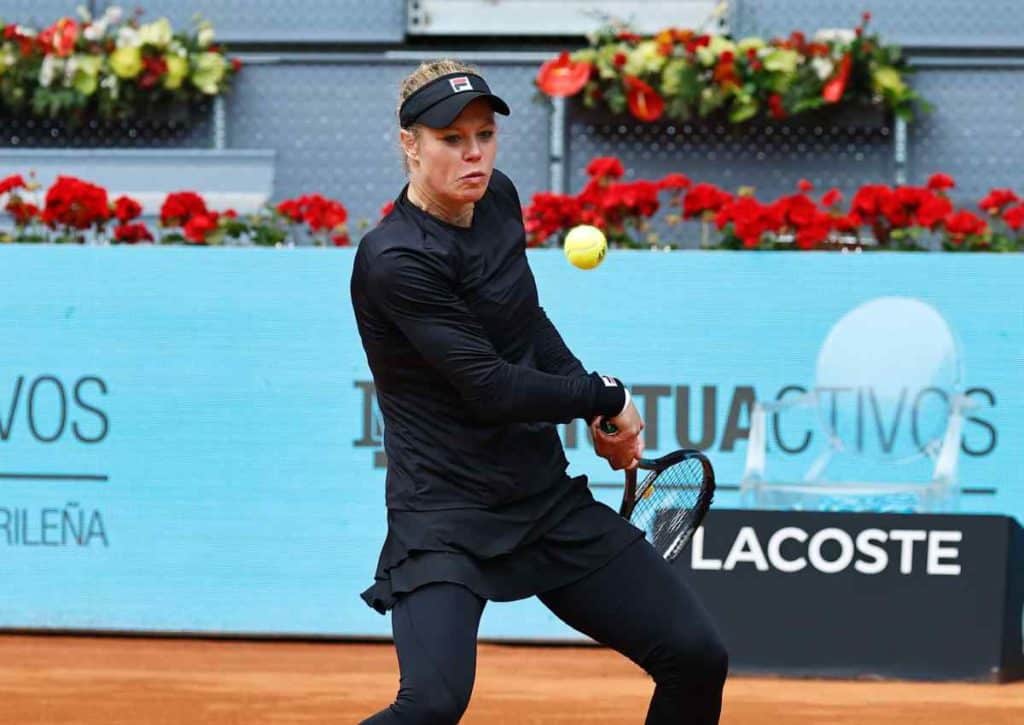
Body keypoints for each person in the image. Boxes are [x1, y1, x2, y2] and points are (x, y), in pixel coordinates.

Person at [351, 59, 727, 725]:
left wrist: (595, 409)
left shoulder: (497, 199)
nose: (473, 153)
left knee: (696, 655)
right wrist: (604, 395)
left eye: (484, 135)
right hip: (446, 514)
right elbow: (490, 388)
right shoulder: (396, 259)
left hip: (542, 499)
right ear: (409, 143)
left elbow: (524, 323)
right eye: (450, 139)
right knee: (433, 702)